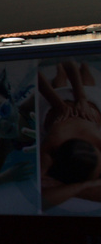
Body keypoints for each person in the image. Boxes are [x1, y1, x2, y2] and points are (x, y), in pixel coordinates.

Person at [38, 60, 101, 210]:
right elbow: (40, 200)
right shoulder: (51, 147)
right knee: (82, 85)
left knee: (78, 86)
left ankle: (82, 66)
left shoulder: (49, 149)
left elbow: (40, 198)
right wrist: (85, 186)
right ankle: (65, 69)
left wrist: (81, 99)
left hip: (72, 108)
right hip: (83, 109)